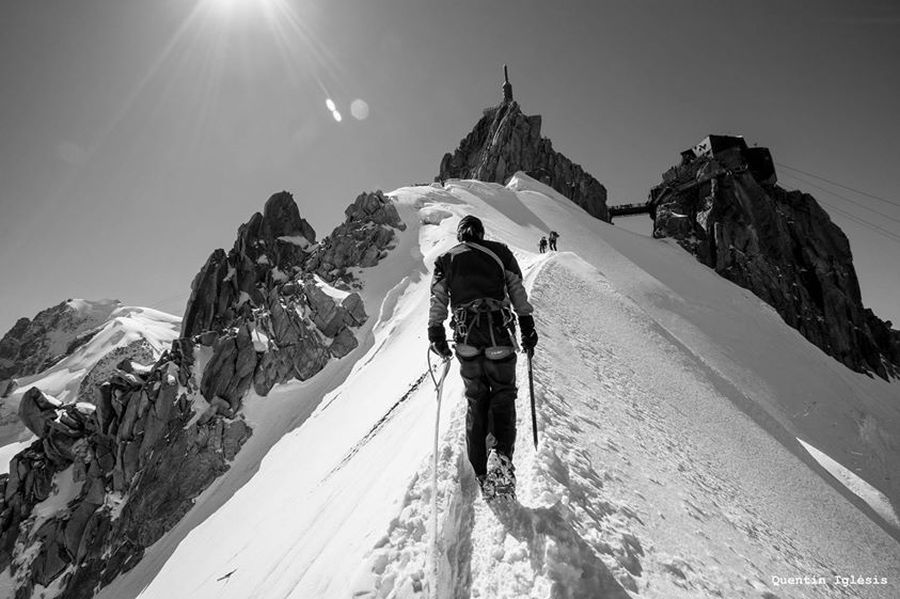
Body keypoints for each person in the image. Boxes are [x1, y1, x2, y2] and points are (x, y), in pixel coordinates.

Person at [428, 215, 538, 501]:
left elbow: (438, 298)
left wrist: (435, 333)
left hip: (467, 341)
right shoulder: (500, 252)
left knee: (476, 401)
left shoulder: (446, 260)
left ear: (462, 235)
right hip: (498, 337)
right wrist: (527, 325)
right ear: (481, 233)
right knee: (502, 396)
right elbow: (516, 289)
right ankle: (500, 457)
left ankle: (481, 474)